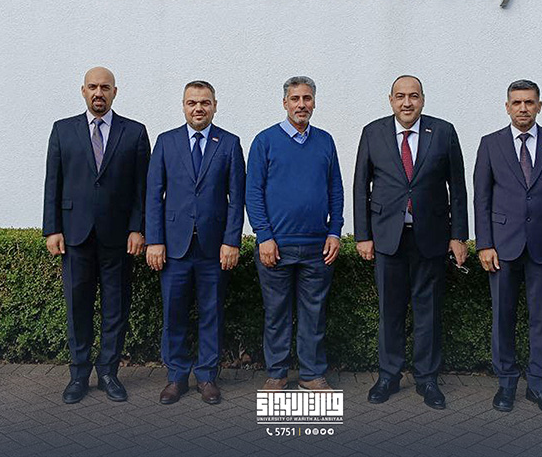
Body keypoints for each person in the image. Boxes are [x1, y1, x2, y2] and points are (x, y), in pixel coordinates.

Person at [353, 75, 469, 410]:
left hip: (430, 237)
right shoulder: (373, 132)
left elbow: (458, 188)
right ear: (390, 99)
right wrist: (363, 235)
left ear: (422, 99)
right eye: (401, 96)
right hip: (387, 237)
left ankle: (427, 379)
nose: (407, 103)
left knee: (427, 312)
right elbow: (361, 186)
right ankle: (388, 376)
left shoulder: (443, 132)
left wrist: (458, 235)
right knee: (390, 311)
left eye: (414, 96)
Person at [42, 66, 150, 404]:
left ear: (115, 92)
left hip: (118, 237)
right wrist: (52, 229)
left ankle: (108, 373)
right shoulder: (63, 130)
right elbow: (53, 182)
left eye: (105, 87)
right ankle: (78, 375)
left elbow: (142, 188)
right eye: (92, 87)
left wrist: (138, 228)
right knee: (78, 308)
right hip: (75, 235)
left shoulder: (135, 132)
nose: (98, 93)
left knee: (115, 308)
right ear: (83, 91)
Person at [473, 79, 542, 416]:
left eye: (529, 102)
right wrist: (484, 244)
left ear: (539, 106)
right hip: (502, 248)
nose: (523, 108)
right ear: (507, 107)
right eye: (516, 102)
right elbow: (481, 199)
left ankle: (538, 385)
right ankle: (506, 383)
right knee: (502, 317)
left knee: (541, 318)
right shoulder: (490, 144)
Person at [145, 80, 246, 405]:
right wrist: (154, 240)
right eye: (192, 103)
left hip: (213, 249)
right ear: (184, 106)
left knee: (211, 313)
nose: (198, 108)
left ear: (215, 106)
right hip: (174, 248)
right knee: (173, 313)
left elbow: (236, 198)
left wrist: (231, 241)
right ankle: (176, 377)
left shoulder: (229, 143)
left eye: (204, 102)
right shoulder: (166, 142)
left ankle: (206, 376)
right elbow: (153, 195)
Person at [245, 76, 344, 391]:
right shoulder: (265, 141)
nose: (302, 104)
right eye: (295, 99)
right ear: (284, 102)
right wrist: (264, 236)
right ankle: (276, 374)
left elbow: (336, 189)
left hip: (317, 247)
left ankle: (311, 374)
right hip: (276, 246)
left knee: (314, 315)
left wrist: (335, 231)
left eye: (307, 98)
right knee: (276, 314)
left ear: (314, 102)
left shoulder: (325, 141)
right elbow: (253, 192)